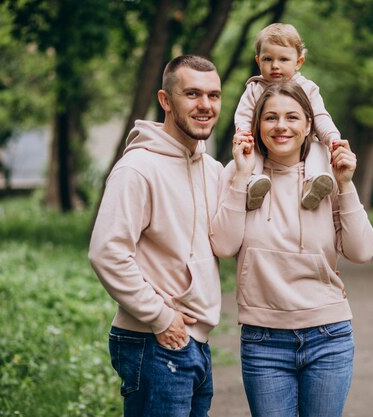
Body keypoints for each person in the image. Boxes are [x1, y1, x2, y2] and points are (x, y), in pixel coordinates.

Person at [210, 81, 373, 417]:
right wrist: (242, 178)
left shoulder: (327, 176)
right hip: (263, 340)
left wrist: (345, 183)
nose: (281, 126)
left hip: (328, 336)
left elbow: (361, 251)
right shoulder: (237, 173)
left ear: (308, 125)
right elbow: (224, 245)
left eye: (292, 117)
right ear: (257, 126)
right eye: (270, 118)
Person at [88, 55, 223, 417]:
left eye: (213, 95)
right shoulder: (138, 168)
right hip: (153, 341)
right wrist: (159, 316)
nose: (205, 105)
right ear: (166, 100)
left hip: (196, 344)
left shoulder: (214, 171)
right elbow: (106, 252)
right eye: (192, 94)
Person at [235, 22, 342, 210]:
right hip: (262, 142)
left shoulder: (307, 88)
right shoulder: (254, 89)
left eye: (283, 59)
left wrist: (333, 138)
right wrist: (243, 133)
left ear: (298, 62)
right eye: (268, 59)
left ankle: (314, 182)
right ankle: (254, 185)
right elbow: (243, 115)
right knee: (253, 153)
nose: (275, 66)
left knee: (318, 148)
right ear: (258, 61)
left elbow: (320, 116)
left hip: (299, 148)